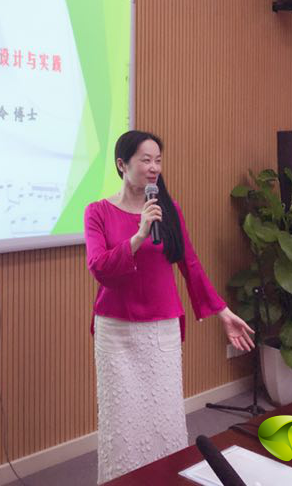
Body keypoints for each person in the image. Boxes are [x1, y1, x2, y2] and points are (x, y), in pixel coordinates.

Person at [83, 130, 255, 484]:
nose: (154, 168)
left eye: (158, 160)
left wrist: (222, 312)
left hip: (161, 328)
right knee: (122, 420)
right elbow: (99, 267)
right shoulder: (97, 212)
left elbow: (190, 264)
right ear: (122, 164)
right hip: (116, 332)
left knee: (164, 416)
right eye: (145, 160)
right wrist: (139, 235)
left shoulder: (169, 209)